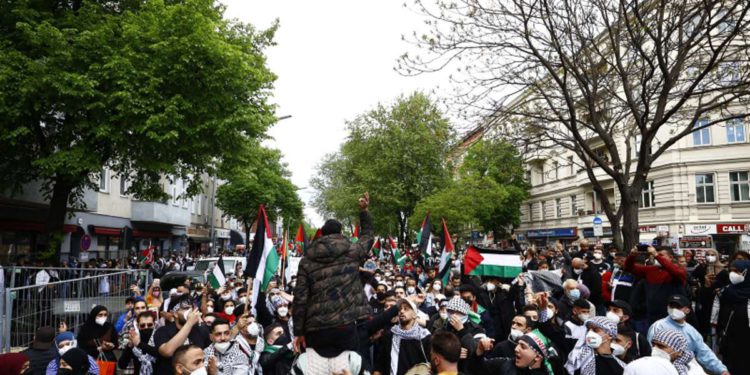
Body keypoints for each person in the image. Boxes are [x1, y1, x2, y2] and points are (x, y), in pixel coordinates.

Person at [293, 192, 375, 358]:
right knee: (347, 367)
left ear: (322, 233)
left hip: (315, 328)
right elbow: (368, 237)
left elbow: (300, 298)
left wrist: (298, 332)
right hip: (346, 324)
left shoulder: (307, 259)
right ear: (340, 232)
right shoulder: (352, 252)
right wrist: (364, 211)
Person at [646, 294, 728, 375]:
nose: (674, 309)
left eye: (678, 307)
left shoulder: (692, 332)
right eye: (672, 306)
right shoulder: (658, 326)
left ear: (687, 310)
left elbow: (705, 353)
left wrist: (722, 370)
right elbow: (652, 351)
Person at [624, 246, 686, 325]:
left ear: (671, 257)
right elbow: (628, 268)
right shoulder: (651, 270)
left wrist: (656, 255)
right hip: (653, 314)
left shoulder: (677, 269)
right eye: (654, 255)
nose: (656, 257)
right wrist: (632, 255)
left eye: (661, 255)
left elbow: (678, 273)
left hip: (672, 313)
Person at [148, 296, 211, 374]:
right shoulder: (162, 331)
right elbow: (167, 352)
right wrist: (189, 323)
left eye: (190, 308)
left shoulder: (201, 330)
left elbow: (208, 354)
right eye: (185, 308)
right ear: (175, 313)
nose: (189, 311)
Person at [373, 298, 431, 375]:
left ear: (414, 315)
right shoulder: (390, 335)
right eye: (400, 309)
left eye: (406, 309)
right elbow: (380, 365)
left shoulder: (424, 336)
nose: (401, 311)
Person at [715, 259, 750, 375]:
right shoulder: (725, 292)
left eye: (737, 271)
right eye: (731, 271)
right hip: (730, 343)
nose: (733, 274)